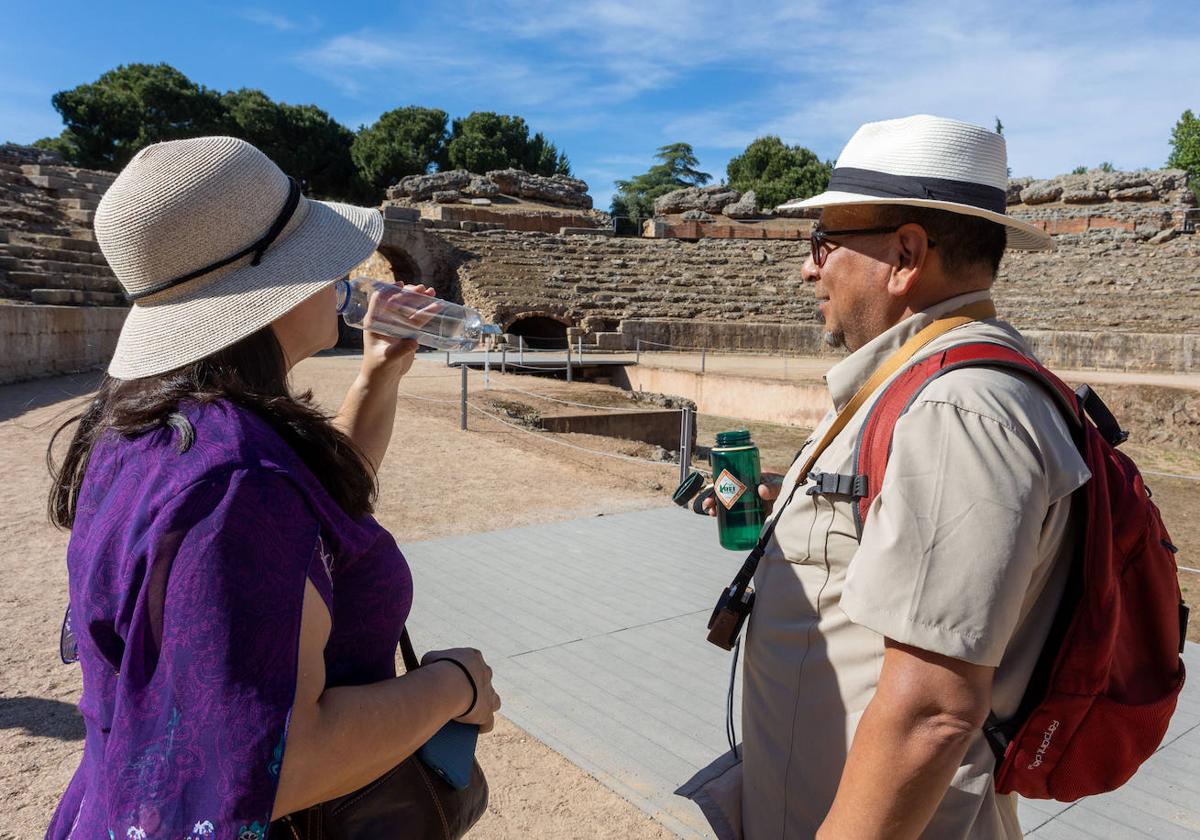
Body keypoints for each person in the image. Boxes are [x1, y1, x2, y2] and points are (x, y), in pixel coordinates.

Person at [44, 136, 501, 839]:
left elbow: (304, 516)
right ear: (268, 286)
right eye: (320, 259)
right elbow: (280, 765)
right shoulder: (233, 486)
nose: (342, 277)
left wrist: (379, 373)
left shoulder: (156, 422)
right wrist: (453, 688)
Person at [703, 115, 1090, 838]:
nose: (808, 268)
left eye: (823, 242)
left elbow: (933, 711)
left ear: (905, 255)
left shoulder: (955, 408)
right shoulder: (915, 384)